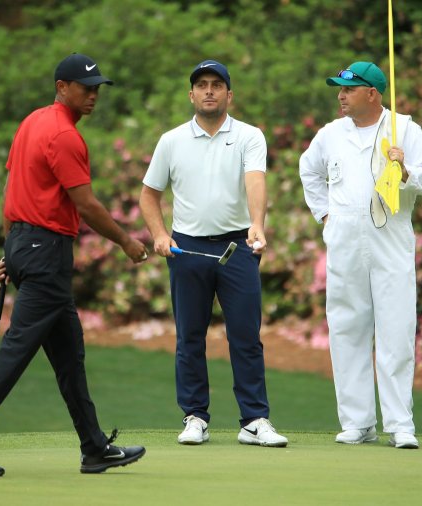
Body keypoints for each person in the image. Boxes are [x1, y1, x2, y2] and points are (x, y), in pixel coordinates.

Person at [0, 53, 149, 476]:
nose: (93, 95)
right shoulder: (65, 135)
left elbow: (12, 187)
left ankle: (94, 447)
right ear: (61, 87)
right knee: (16, 351)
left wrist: (10, 250)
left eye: (97, 89)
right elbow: (86, 205)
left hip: (24, 242)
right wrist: (127, 241)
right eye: (85, 87)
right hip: (46, 251)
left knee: (69, 354)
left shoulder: (32, 122)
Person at [139, 59, 288, 448]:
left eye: (216, 85)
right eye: (202, 85)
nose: (209, 91)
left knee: (245, 336)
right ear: (191, 94)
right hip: (186, 248)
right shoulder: (171, 140)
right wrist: (158, 234)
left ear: (228, 94)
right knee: (190, 337)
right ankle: (195, 417)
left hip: (238, 245)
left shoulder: (249, 136)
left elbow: (255, 180)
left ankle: (254, 419)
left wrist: (258, 223)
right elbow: (149, 195)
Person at [299, 61, 422, 449]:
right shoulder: (329, 135)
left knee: (395, 328)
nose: (341, 96)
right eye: (339, 90)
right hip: (344, 238)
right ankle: (357, 422)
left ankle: (400, 424)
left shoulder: (404, 129)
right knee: (346, 327)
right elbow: (308, 171)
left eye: (348, 89)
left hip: (390, 236)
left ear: (372, 93)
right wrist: (325, 215)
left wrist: (405, 168)